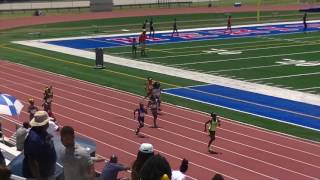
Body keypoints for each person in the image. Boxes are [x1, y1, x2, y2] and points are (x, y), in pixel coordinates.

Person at [23, 111, 57, 179]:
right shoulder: (34, 139)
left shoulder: (42, 132)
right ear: (43, 124)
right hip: (41, 176)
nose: (48, 123)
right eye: (47, 122)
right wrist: (38, 178)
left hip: (47, 172)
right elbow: (32, 161)